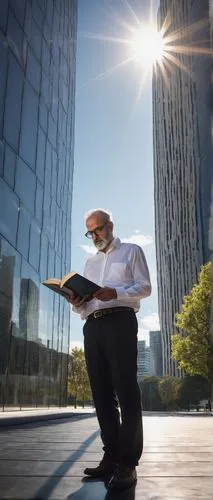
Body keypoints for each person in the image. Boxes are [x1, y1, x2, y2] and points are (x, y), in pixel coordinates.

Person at [67, 209, 151, 491]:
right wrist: (77, 301)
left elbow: (145, 287)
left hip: (120, 322)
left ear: (110, 225)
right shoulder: (90, 263)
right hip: (92, 326)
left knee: (126, 391)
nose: (95, 236)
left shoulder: (131, 251)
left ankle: (128, 463)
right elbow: (88, 304)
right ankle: (112, 456)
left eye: (98, 229)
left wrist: (115, 292)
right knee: (101, 394)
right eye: (90, 232)